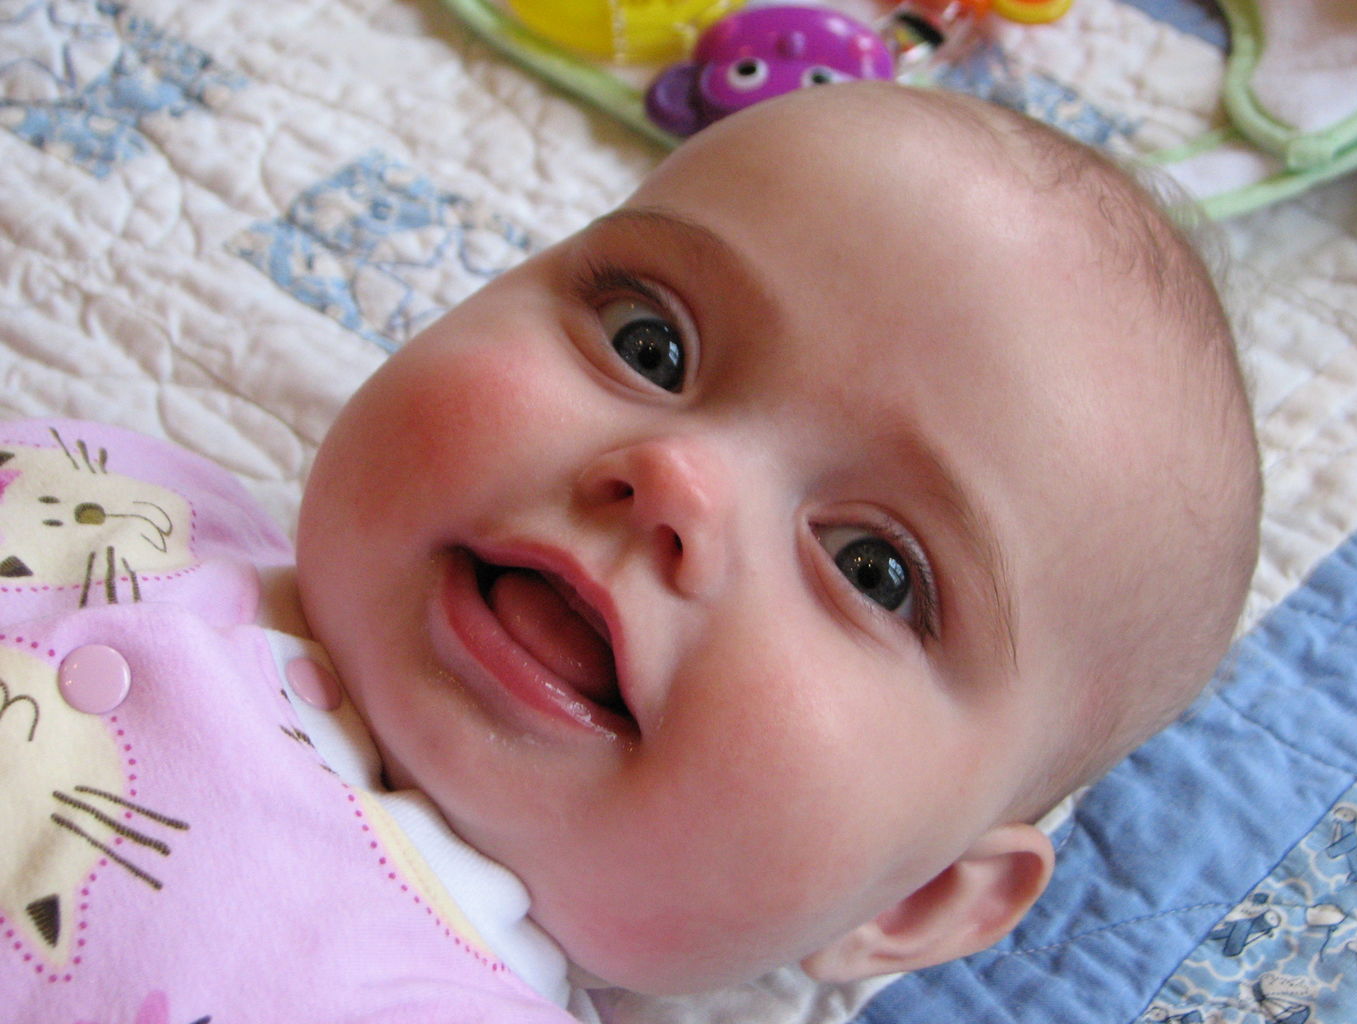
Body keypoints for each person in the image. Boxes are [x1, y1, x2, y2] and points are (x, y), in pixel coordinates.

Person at [1, 82, 1261, 1020]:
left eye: (876, 568)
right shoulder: (117, 489)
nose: (678, 479)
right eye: (648, 343)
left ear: (916, 897)